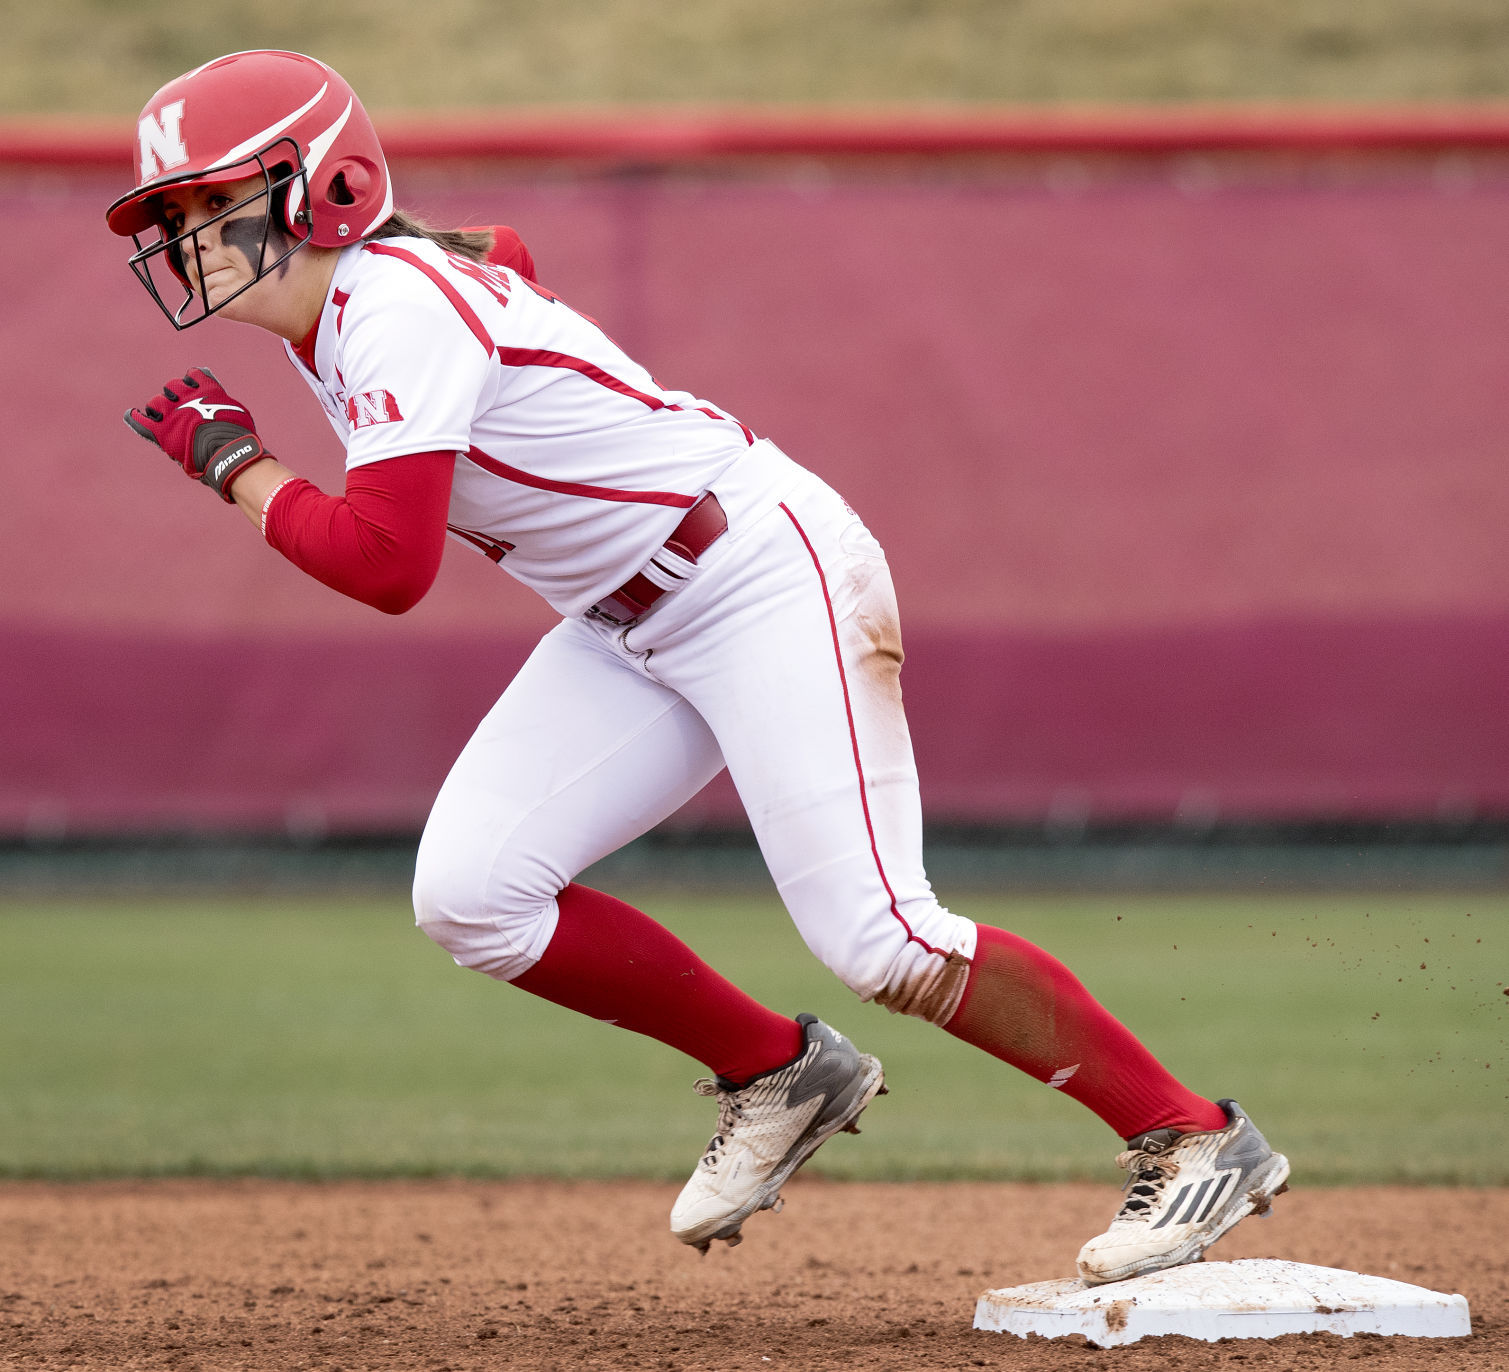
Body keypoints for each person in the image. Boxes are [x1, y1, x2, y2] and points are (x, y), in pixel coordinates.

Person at [107, 49, 1289, 1283]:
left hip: (761, 575)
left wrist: (233, 464)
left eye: (206, 203)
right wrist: (488, 277)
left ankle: (1193, 1137)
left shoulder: (389, 302)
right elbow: (501, 262)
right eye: (170, 219)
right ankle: (779, 1071)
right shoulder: (359, 306)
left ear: (323, 187)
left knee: (881, 936)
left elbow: (386, 566)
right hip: (631, 620)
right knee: (471, 892)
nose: (185, 239)